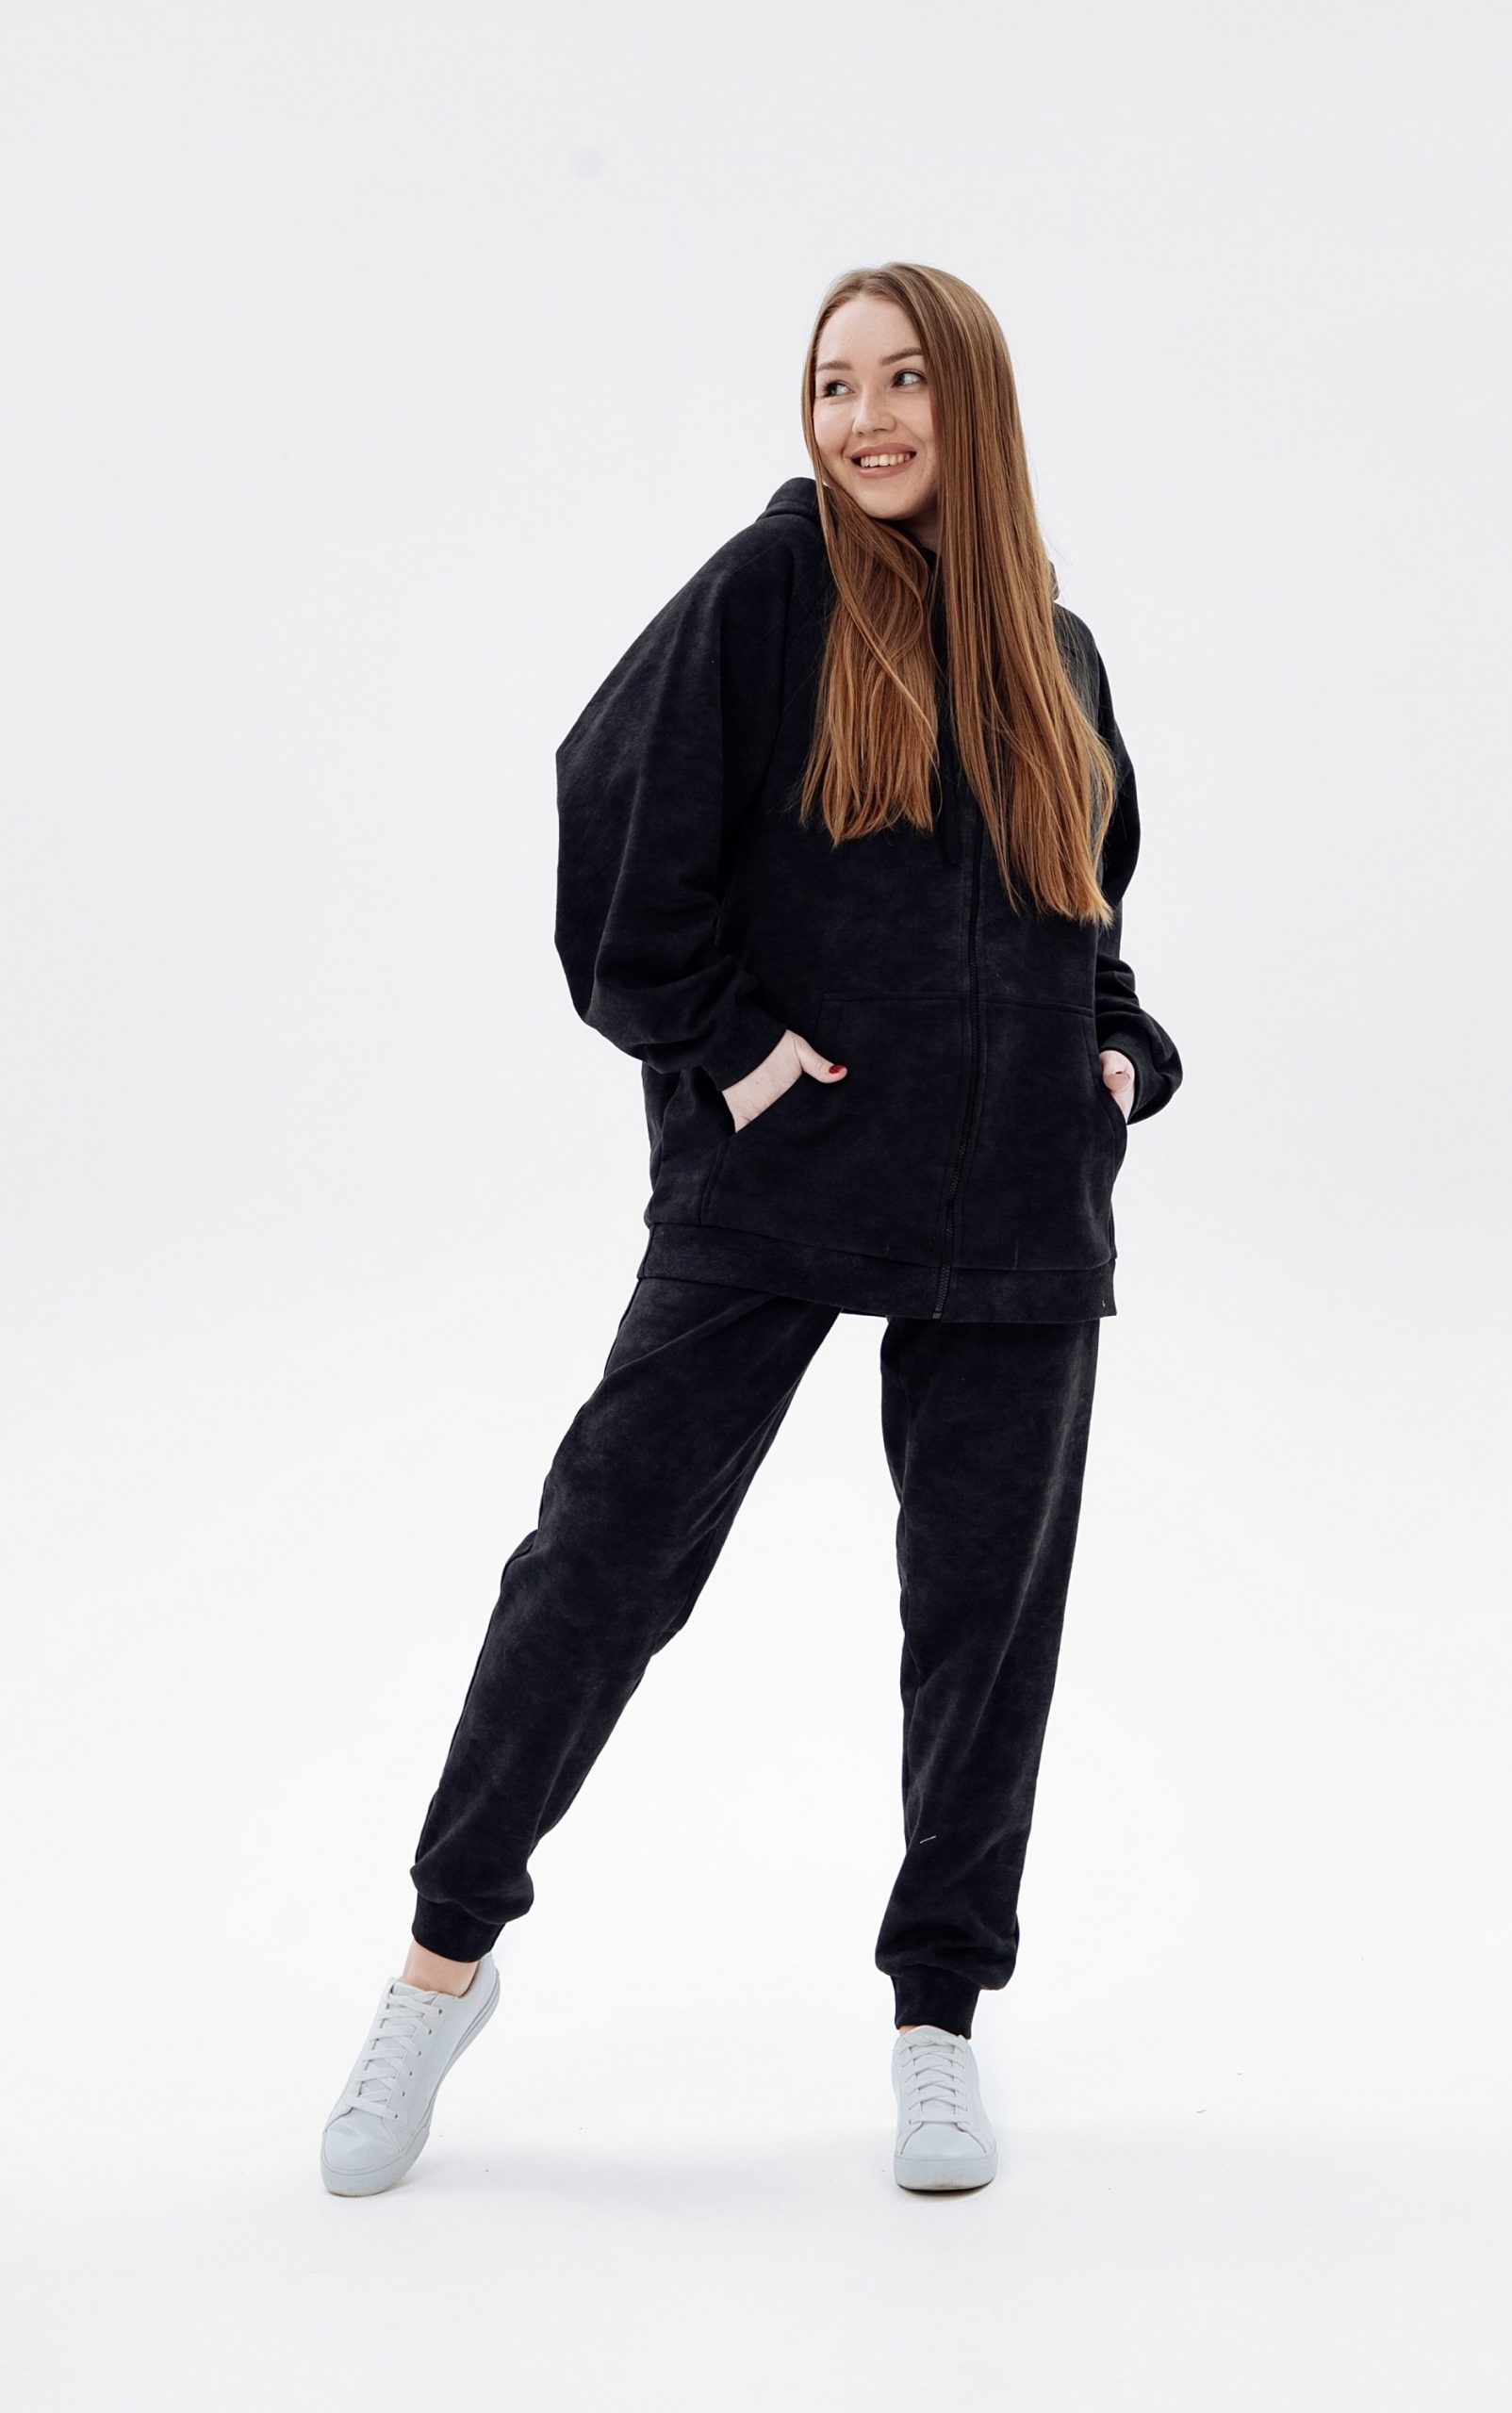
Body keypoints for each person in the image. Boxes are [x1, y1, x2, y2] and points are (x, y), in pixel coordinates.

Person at [320, 260, 1184, 2199]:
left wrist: (1116, 1053)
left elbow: (1091, 910)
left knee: (983, 1619)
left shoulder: (1058, 652)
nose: (862, 419)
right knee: (600, 1559)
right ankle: (437, 1969)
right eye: (831, 385)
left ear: (972, 403)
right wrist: (725, 1051)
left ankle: (939, 2020)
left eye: (901, 381)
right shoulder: (770, 589)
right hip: (780, 1171)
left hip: (1015, 1194)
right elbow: (607, 807)